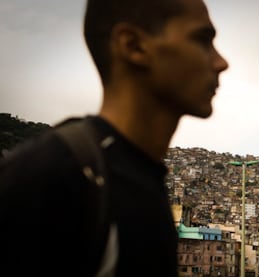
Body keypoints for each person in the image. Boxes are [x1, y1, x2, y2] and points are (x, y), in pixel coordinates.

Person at [0, 0, 228, 276]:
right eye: (202, 39)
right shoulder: (50, 177)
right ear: (132, 45)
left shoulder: (144, 181)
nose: (221, 62)